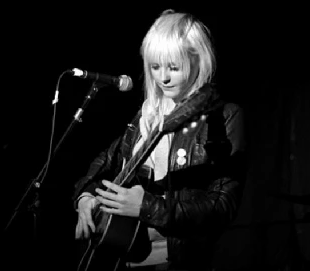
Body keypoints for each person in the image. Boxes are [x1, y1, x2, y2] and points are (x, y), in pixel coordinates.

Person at [72, 9, 247, 271]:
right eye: (155, 67)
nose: (162, 78)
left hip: (177, 261)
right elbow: (104, 163)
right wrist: (85, 197)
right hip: (122, 256)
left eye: (173, 68)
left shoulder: (223, 117)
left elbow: (223, 206)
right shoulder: (146, 114)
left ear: (198, 61)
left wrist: (147, 207)